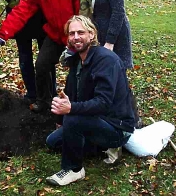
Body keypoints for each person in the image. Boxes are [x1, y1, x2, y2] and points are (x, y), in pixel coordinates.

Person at [45, 15, 135, 186]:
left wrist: (70, 110)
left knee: (73, 118)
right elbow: (70, 93)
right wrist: (60, 118)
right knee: (53, 141)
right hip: (96, 119)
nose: (76, 37)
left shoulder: (106, 60)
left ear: (92, 35)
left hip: (117, 126)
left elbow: (103, 102)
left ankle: (74, 169)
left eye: (81, 32)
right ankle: (96, 146)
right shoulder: (78, 60)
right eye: (72, 34)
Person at [76, 0, 141, 128]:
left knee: (119, 78)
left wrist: (110, 42)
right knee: (103, 78)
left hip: (115, 36)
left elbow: (119, 12)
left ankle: (131, 120)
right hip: (97, 36)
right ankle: (107, 118)